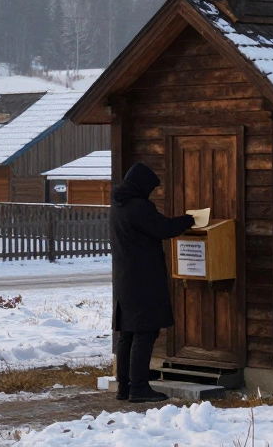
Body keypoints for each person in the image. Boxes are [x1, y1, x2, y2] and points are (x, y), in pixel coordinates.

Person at [109, 162, 196, 403]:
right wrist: (188, 220)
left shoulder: (118, 205)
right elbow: (163, 228)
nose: (151, 192)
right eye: (150, 187)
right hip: (143, 279)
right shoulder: (138, 207)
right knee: (144, 333)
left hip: (125, 279)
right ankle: (139, 387)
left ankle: (123, 386)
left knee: (127, 334)